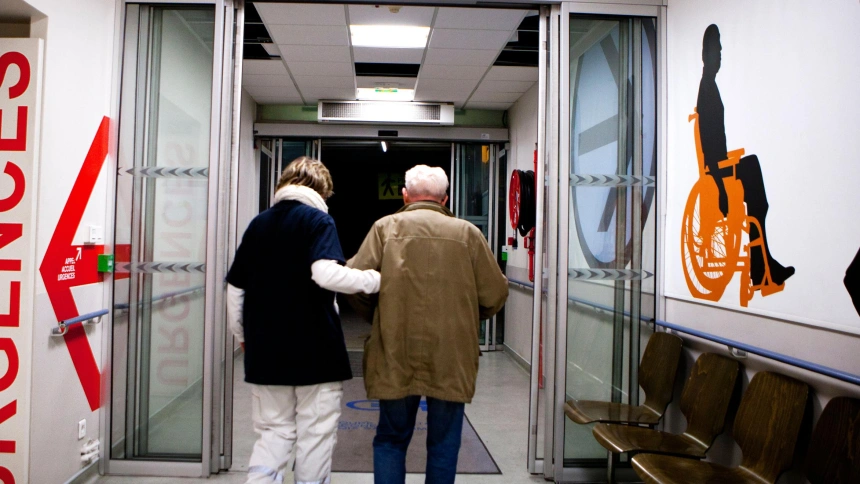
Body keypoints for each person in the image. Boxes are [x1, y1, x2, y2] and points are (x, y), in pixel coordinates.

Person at [346, 165, 509, 484]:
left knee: (391, 440)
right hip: (452, 355)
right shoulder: (468, 234)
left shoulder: (384, 228)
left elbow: (355, 281)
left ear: (405, 196)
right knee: (444, 444)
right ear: (444, 200)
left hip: (395, 349)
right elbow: (495, 293)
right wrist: (468, 319)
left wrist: (381, 316)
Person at [226, 156, 381, 484]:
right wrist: (375, 280)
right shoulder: (318, 221)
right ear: (321, 191)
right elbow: (324, 273)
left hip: (265, 351)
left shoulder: (259, 224)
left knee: (273, 433)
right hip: (316, 350)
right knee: (315, 437)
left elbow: (236, 288)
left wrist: (242, 335)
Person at [697, 24, 794, 287]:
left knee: (752, 170)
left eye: (720, 50)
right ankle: (760, 264)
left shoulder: (710, 86)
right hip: (716, 169)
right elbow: (708, 144)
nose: (720, 55)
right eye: (716, 50)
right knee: (752, 167)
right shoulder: (706, 89)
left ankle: (761, 263)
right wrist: (720, 188)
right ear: (705, 54)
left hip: (720, 164)